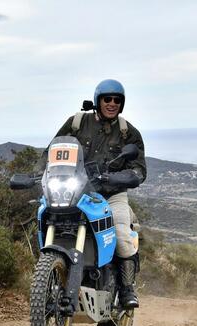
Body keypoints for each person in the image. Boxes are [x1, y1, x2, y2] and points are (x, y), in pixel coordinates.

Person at [36, 79, 146, 308]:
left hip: (111, 194)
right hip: (78, 190)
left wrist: (117, 178)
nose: (112, 103)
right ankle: (48, 276)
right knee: (47, 219)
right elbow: (52, 151)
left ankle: (126, 290)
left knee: (121, 234)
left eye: (117, 100)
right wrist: (38, 174)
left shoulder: (128, 133)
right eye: (108, 99)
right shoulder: (77, 123)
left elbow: (139, 170)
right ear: (98, 101)